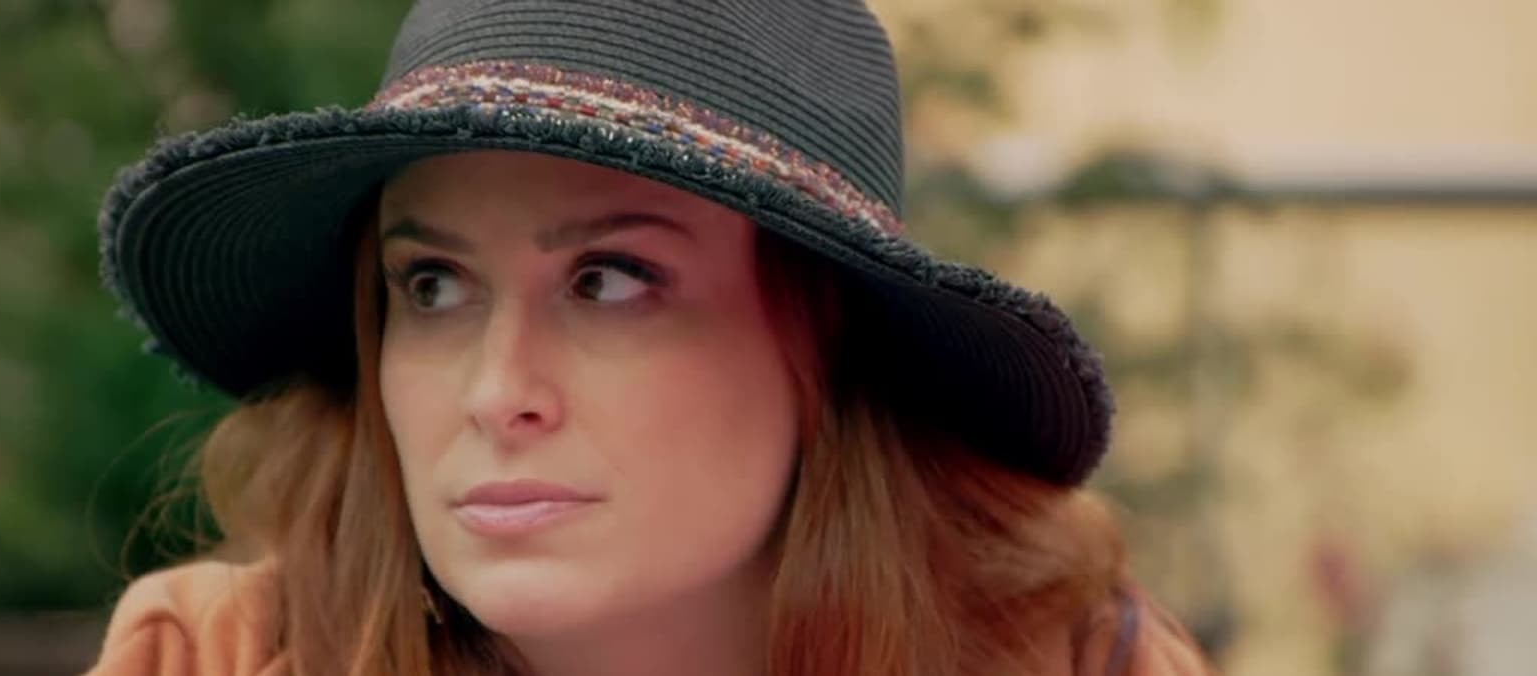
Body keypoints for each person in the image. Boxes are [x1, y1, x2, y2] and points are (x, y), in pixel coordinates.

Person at [85, 1, 1216, 674]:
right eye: (432, 285)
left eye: (609, 280)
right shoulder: (219, 657)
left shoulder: (1065, 659)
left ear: (824, 342)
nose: (496, 391)